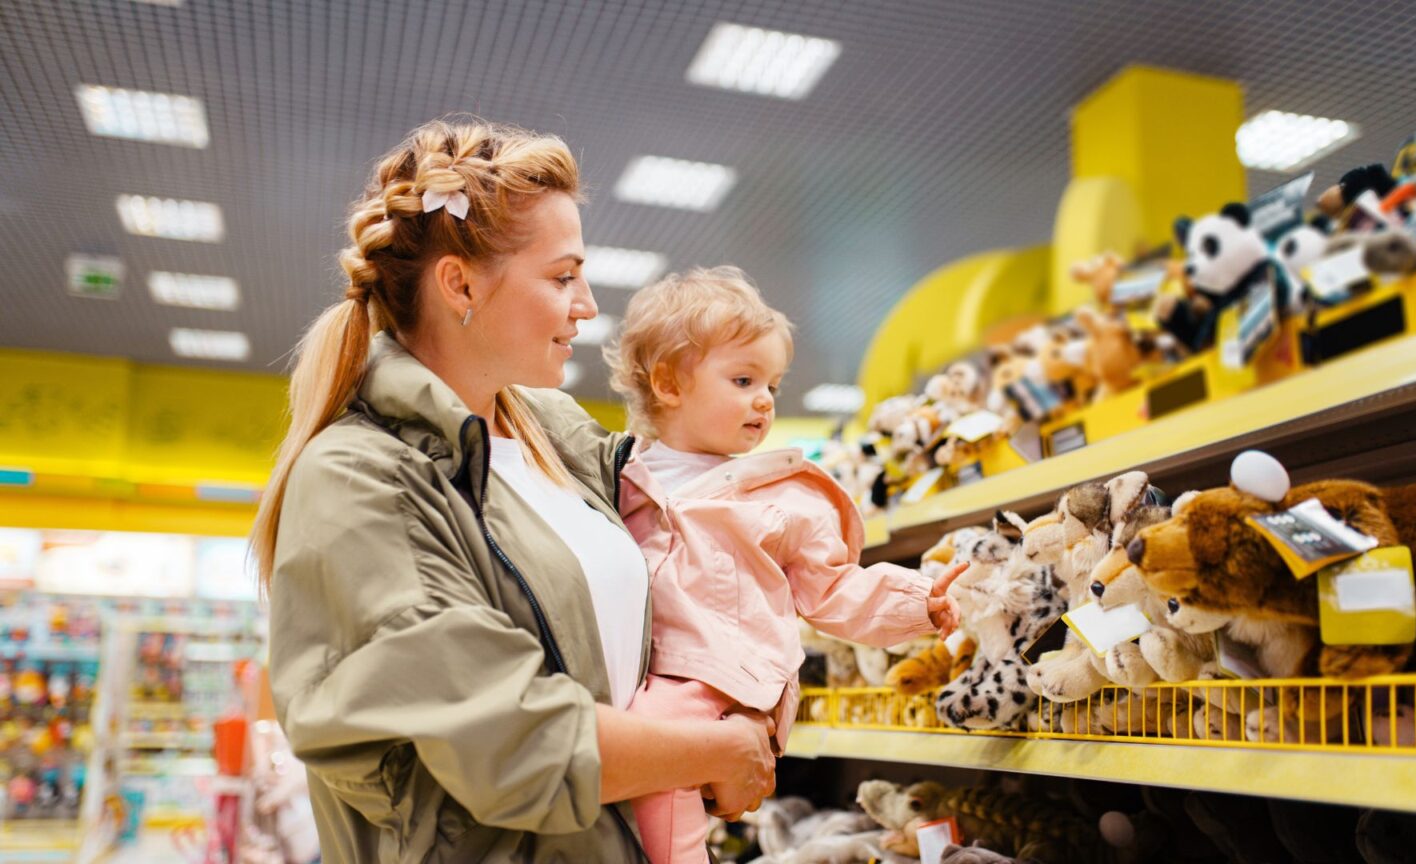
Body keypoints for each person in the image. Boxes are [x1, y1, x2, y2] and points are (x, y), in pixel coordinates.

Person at [251, 118, 775, 862]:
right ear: (460, 284)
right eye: (563, 277)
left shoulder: (552, 435)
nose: (587, 305)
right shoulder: (360, 479)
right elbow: (510, 735)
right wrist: (714, 753)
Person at [604, 266, 965, 864]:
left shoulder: (781, 496)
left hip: (723, 683)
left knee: (658, 773)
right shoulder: (620, 478)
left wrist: (917, 602)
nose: (765, 399)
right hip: (650, 671)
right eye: (744, 379)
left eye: (772, 382)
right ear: (668, 382)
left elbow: (834, 589)